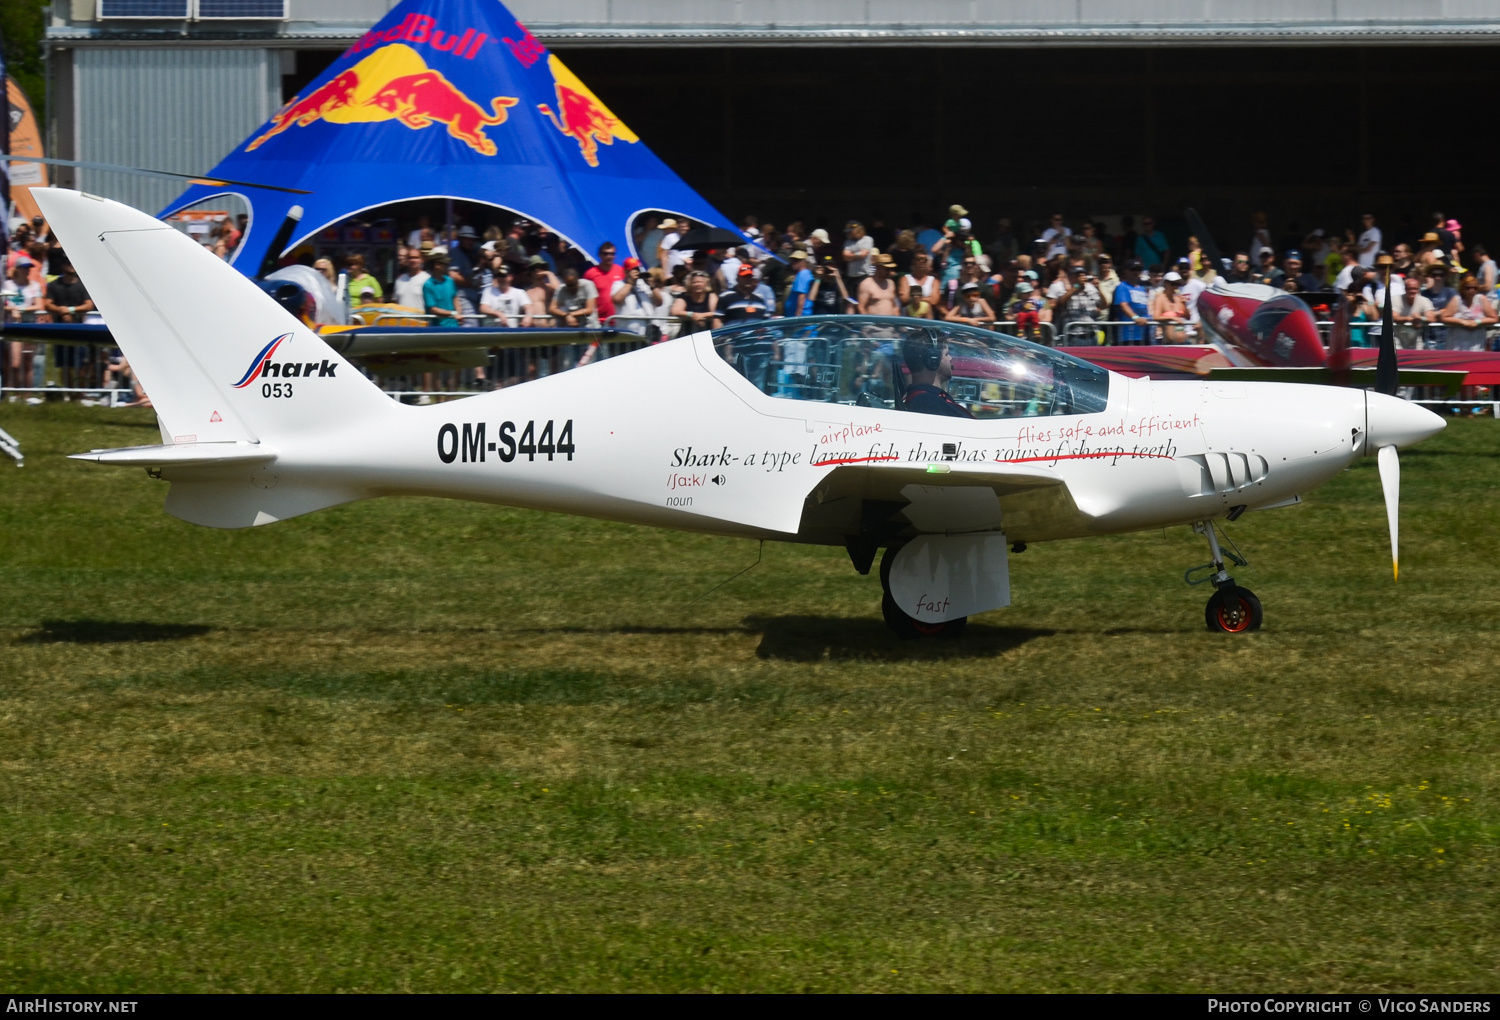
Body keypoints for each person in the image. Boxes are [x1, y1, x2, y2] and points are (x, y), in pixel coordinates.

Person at [900, 337, 973, 418]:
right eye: (946, 354)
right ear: (933, 360)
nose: (950, 358)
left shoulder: (929, 399)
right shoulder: (928, 403)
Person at [1440, 274, 1496, 351]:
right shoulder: (1457, 300)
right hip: (1457, 344)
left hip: (1476, 344)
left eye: (1474, 288)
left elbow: (1493, 318)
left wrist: (1477, 322)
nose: (1471, 290)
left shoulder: (1481, 299)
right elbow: (1444, 317)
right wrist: (1462, 322)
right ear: (1462, 289)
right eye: (1468, 288)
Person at [611, 257, 663, 336]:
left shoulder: (644, 284)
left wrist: (652, 286)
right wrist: (630, 283)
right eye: (633, 269)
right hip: (628, 332)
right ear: (626, 271)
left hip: (647, 331)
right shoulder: (619, 284)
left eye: (638, 269)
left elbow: (659, 302)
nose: (636, 271)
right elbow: (617, 299)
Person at [1053, 264, 1107, 339]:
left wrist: (1098, 288)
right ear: (1071, 278)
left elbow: (1104, 306)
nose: (1081, 278)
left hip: (1091, 334)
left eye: (1082, 275)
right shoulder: (1065, 289)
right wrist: (1077, 286)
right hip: (1073, 335)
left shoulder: (1091, 289)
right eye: (1078, 276)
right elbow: (1062, 302)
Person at [583, 241, 626, 326]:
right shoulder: (590, 274)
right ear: (600, 255)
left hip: (619, 320)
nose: (609, 256)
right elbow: (584, 296)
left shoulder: (622, 271)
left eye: (612, 254)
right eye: (605, 254)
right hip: (598, 321)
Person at [1391, 274, 1435, 349]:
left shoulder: (1424, 300)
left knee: (1417, 359)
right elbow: (1394, 317)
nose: (1412, 291)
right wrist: (1411, 319)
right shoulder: (1396, 299)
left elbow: (1432, 318)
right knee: (1397, 358)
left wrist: (1420, 318)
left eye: (1415, 289)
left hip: (1416, 339)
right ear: (1405, 289)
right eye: (1409, 288)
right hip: (1398, 338)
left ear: (1418, 289)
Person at [1113, 260, 1152, 345]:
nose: (1136, 272)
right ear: (1126, 271)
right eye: (1133, 270)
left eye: (1138, 270)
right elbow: (1123, 305)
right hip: (1128, 336)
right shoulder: (1122, 287)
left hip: (1144, 335)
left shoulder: (1142, 289)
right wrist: (1135, 318)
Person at [422, 252, 460, 328]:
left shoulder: (450, 281)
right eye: (445, 264)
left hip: (454, 326)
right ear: (437, 265)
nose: (447, 266)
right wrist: (453, 313)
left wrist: (459, 313)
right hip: (437, 329)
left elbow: (455, 298)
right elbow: (433, 309)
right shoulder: (428, 285)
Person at [1150, 271, 1190, 343]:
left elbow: (1188, 317)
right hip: (1169, 343)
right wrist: (1172, 318)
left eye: (1177, 284)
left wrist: (1184, 304)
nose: (1175, 287)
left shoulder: (1178, 299)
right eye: (1173, 284)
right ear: (1166, 283)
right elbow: (1156, 317)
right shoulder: (1160, 298)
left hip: (1183, 342)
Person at [842, 221, 874, 294]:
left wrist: (851, 255)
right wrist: (857, 255)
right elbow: (845, 256)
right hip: (851, 276)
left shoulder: (867, 239)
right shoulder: (848, 242)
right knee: (851, 301)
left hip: (864, 275)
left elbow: (864, 254)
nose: (849, 233)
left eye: (850, 231)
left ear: (858, 229)